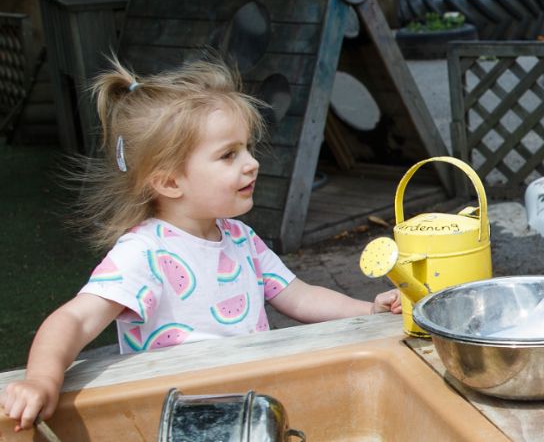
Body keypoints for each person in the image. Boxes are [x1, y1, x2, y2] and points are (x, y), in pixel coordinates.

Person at [0, 58, 403, 431]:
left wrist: (366, 311)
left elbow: (299, 295)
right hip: (177, 420)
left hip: (249, 406)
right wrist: (40, 379)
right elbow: (73, 320)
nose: (251, 163)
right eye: (228, 154)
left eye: (247, 148)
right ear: (170, 182)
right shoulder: (143, 253)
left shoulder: (239, 237)